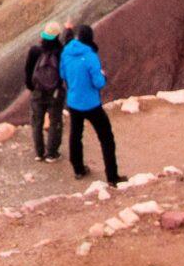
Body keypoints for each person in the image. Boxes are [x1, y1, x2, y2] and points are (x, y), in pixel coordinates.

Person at [59, 22, 121, 186]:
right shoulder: (91, 56)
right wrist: (103, 76)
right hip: (91, 104)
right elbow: (99, 83)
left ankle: (78, 169)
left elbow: (62, 73)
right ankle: (112, 176)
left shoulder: (66, 52)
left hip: (73, 102)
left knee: (75, 135)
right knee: (106, 138)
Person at [24, 22, 67, 161]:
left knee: (37, 122)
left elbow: (28, 71)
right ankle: (52, 154)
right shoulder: (61, 52)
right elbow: (64, 72)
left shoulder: (35, 50)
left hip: (37, 92)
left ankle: (39, 153)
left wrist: (32, 88)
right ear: (57, 35)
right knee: (55, 121)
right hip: (55, 93)